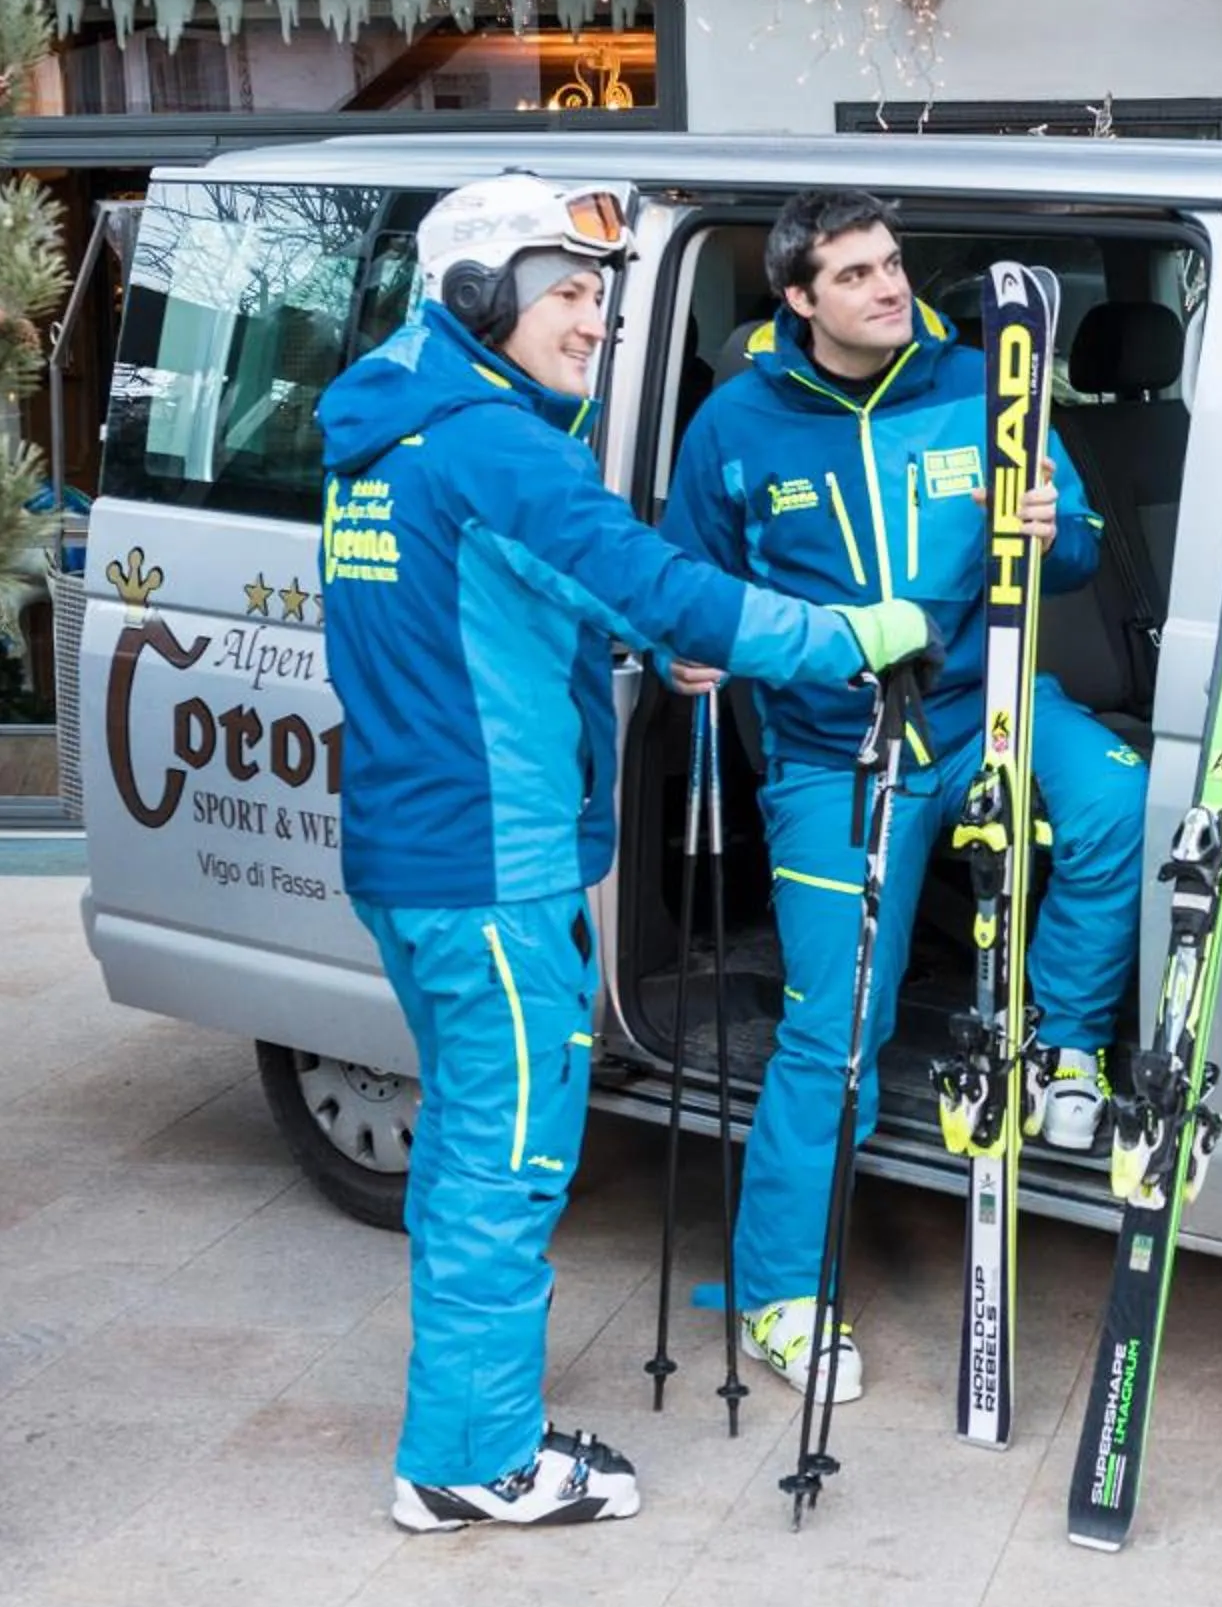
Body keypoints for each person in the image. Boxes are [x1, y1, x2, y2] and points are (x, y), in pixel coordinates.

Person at [317, 173, 931, 1532]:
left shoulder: (386, 429)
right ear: (481, 295)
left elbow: (482, 604)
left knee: (465, 1147)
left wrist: (646, 641)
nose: (593, 322)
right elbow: (655, 578)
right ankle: (472, 1460)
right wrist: (844, 636)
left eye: (602, 296)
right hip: (494, 868)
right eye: (567, 293)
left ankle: (466, 1421)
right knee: (511, 1157)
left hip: (411, 853)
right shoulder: (496, 446)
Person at [659, 189, 1147, 1403]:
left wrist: (1051, 526)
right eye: (859, 274)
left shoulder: (987, 382)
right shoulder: (736, 424)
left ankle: (1066, 1052)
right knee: (837, 1035)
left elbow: (1079, 545)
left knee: (1116, 810)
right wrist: (684, 647)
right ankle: (780, 1298)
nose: (891, 288)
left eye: (893, 265)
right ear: (798, 299)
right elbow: (679, 582)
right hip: (836, 748)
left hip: (991, 700)